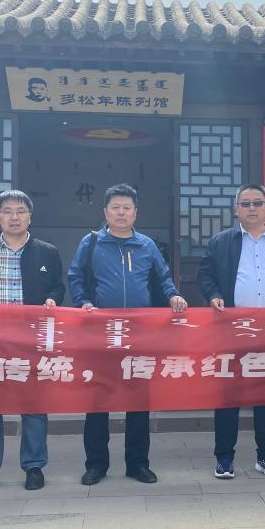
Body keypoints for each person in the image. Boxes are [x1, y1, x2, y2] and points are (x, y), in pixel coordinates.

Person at [68, 183, 187, 486]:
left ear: (135, 213)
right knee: (98, 401)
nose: (121, 213)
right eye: (115, 208)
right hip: (101, 333)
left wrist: (174, 296)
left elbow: (163, 278)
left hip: (139, 333)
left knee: (138, 400)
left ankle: (138, 464)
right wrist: (83, 302)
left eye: (127, 208)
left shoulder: (146, 245)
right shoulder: (91, 242)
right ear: (105, 212)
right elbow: (75, 276)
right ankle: (96, 465)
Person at [197, 183, 265, 480]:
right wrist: (214, 295)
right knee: (228, 395)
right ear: (237, 209)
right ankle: (224, 458)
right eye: (245, 204)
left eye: (257, 203)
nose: (252, 208)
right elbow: (205, 275)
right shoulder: (222, 242)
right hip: (232, 329)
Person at [0, 190, 65, 493]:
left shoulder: (47, 252)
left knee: (33, 404)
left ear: (30, 216)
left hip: (30, 340)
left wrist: (52, 299)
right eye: (7, 211)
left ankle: (34, 466)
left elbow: (58, 286)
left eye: (20, 211)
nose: (14, 217)